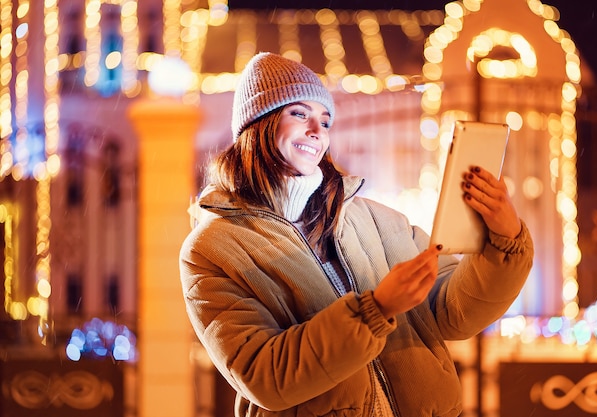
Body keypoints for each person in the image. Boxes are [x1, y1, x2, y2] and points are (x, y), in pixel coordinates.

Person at [179, 52, 533, 417]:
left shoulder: (378, 221)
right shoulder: (212, 249)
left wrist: (505, 239)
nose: (317, 132)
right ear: (260, 123)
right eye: (299, 114)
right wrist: (376, 310)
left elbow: (454, 312)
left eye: (326, 121)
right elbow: (266, 375)